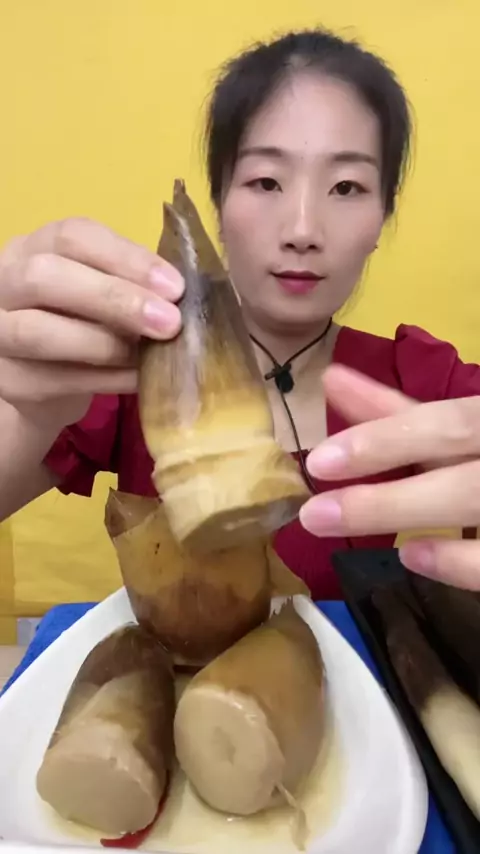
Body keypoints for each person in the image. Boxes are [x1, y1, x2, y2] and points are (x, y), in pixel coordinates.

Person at [1, 29, 479, 599]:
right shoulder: (127, 366)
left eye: (347, 187)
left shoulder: (422, 380)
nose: (302, 229)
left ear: (383, 217)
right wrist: (32, 412)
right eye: (266, 181)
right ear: (219, 206)